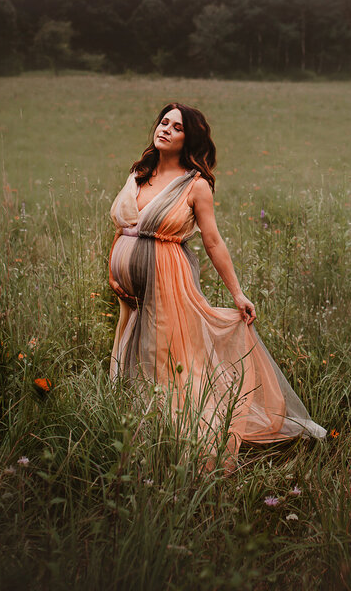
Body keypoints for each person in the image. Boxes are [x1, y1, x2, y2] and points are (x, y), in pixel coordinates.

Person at [107, 103, 326, 464]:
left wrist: (237, 292)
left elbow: (213, 241)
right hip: (129, 292)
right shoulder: (139, 173)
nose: (165, 129)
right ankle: (135, 431)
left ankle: (182, 437)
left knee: (165, 358)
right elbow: (126, 228)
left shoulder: (196, 186)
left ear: (188, 139)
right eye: (163, 122)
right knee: (131, 350)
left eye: (176, 127)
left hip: (169, 282)